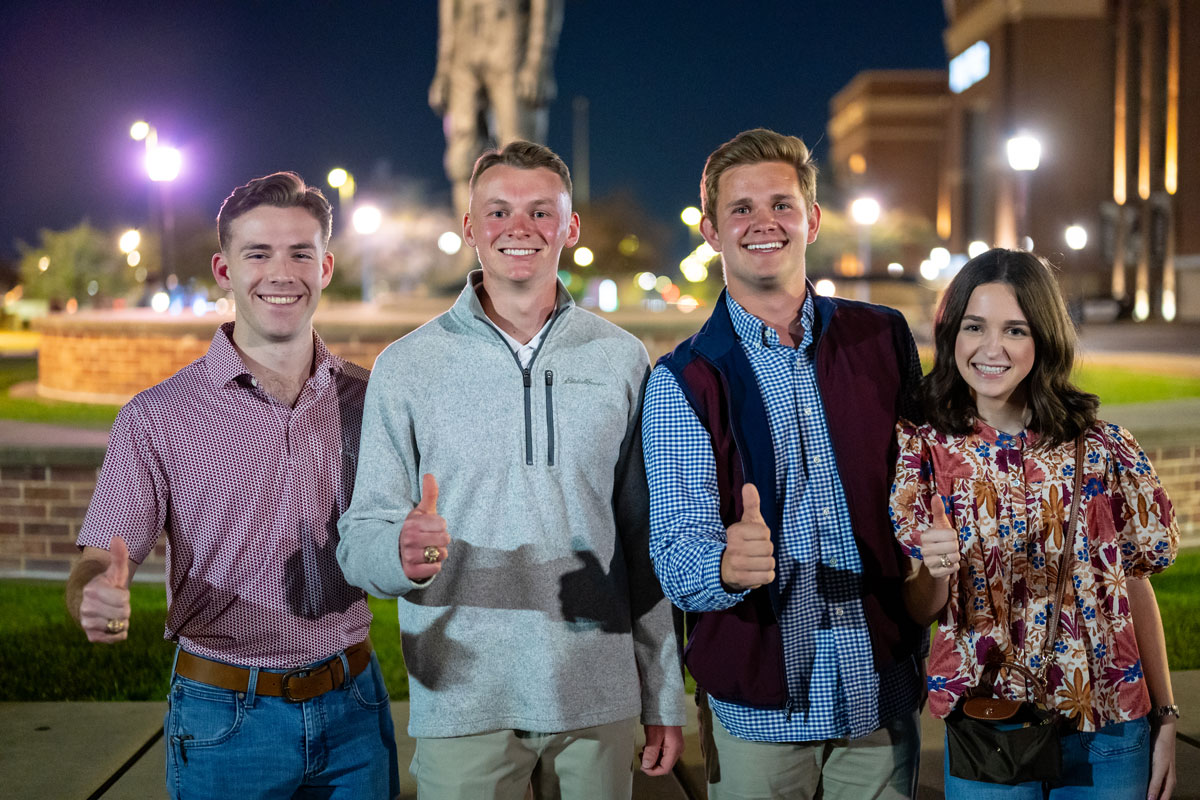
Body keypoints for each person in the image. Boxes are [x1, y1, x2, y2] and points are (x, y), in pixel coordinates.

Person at [336, 140, 686, 799]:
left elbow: (645, 545)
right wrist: (399, 552)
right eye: (498, 212)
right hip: (462, 695)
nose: (518, 227)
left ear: (570, 227)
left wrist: (663, 691)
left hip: (597, 693)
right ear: (470, 227)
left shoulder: (621, 358)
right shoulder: (406, 366)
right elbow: (360, 537)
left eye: (540, 211)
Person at [65, 172, 400, 800]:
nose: (282, 273)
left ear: (326, 267)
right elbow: (99, 555)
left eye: (300, 253)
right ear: (224, 269)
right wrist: (94, 592)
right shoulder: (158, 416)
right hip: (224, 717)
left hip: (354, 705)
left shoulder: (370, 400)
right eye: (258, 254)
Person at [643, 127, 926, 800]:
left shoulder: (883, 337)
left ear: (812, 220)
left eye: (781, 204)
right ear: (712, 231)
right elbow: (675, 550)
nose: (763, 222)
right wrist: (723, 565)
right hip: (761, 705)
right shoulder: (683, 380)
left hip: (880, 688)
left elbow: (926, 482)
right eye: (741, 209)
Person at [890, 248, 1179, 799]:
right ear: (952, 334)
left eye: (1015, 330)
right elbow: (920, 609)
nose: (991, 348)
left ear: (1043, 339)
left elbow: (1133, 586)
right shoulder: (925, 454)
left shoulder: (1103, 450)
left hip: (1108, 724)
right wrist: (936, 570)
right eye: (974, 326)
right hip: (990, 724)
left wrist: (1165, 715)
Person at [429, 0, 564, 226]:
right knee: (462, 154)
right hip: (463, 48)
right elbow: (449, 9)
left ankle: (521, 237)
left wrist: (537, 60)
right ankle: (470, 239)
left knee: (521, 150)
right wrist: (443, 69)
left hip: (510, 40)